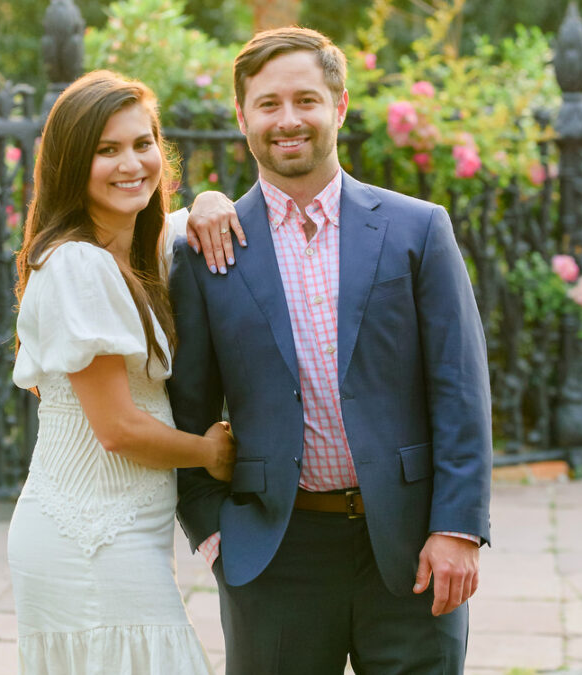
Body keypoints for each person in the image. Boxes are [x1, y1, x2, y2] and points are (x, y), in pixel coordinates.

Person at [169, 27, 493, 674]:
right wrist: (215, 539)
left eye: (306, 100)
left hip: (410, 549)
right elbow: (187, 411)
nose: (288, 119)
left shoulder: (417, 229)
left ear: (338, 107)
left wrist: (458, 526)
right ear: (242, 116)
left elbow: (459, 386)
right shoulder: (207, 252)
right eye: (268, 104)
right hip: (274, 552)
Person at [7, 70, 238, 675]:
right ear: (70, 164)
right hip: (86, 538)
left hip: (125, 531)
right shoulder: (78, 264)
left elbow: (188, 223)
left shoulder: (133, 253)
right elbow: (118, 429)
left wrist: (213, 202)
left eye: (142, 144)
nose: (131, 163)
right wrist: (209, 452)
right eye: (106, 150)